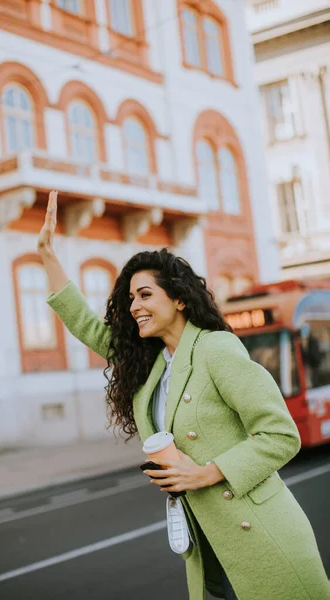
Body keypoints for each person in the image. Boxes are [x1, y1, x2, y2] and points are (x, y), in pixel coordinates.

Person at [38, 191, 330, 600]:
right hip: (207, 546)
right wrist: (48, 256)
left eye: (144, 295)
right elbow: (88, 326)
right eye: (129, 299)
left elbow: (281, 434)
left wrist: (205, 472)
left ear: (177, 298)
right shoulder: (152, 365)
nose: (133, 306)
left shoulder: (216, 349)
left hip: (262, 537)